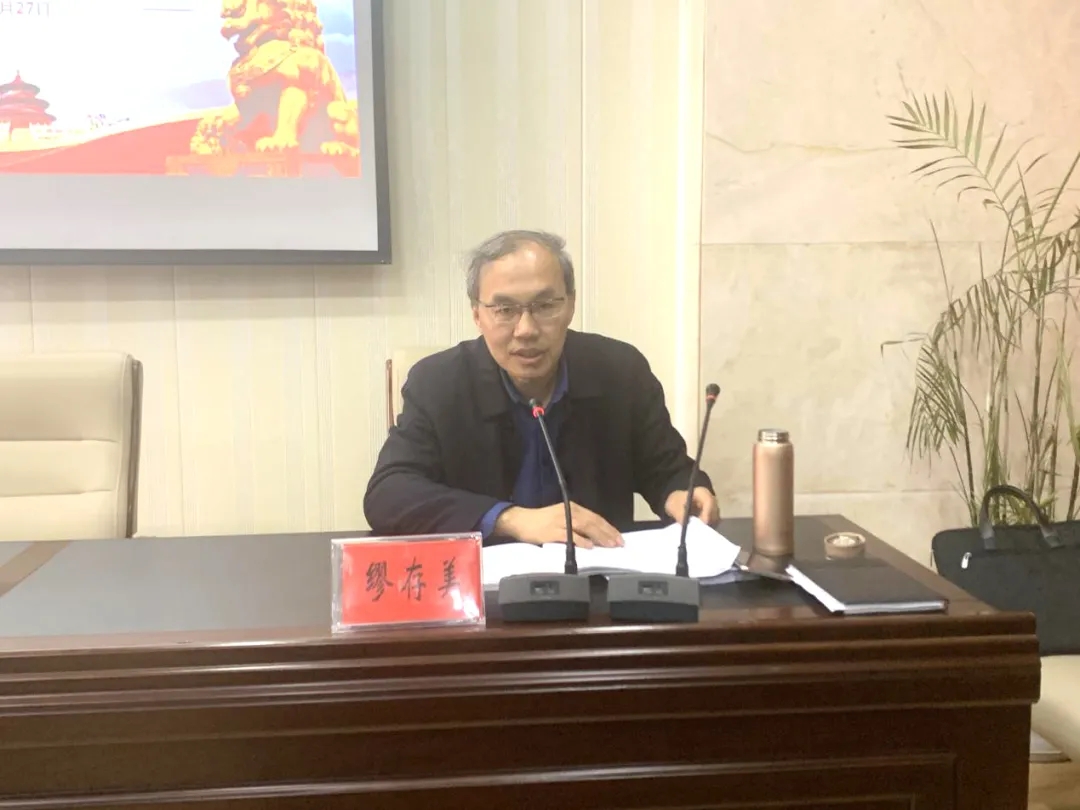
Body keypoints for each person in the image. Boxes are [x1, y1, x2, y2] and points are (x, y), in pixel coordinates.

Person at [363, 229, 719, 547]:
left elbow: (665, 467)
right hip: (487, 584)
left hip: (596, 575)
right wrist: (510, 519)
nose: (526, 330)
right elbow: (388, 494)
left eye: (545, 306)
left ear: (571, 305)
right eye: (505, 309)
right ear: (477, 315)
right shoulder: (438, 383)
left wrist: (682, 493)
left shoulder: (620, 371)